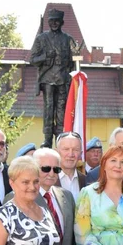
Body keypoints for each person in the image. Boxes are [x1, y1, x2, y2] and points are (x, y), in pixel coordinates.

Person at [29, 8, 82, 146]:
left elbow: (75, 60)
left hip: (63, 80)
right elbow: (33, 60)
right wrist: (46, 56)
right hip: (47, 80)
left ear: (61, 22)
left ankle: (59, 139)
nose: (54, 24)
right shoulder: (41, 39)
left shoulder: (68, 39)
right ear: (48, 22)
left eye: (57, 21)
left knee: (61, 111)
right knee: (48, 109)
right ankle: (47, 140)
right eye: (52, 21)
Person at [56, 131, 87, 204]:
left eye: (75, 150)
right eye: (66, 149)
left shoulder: (86, 181)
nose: (70, 154)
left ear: (81, 153)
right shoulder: (47, 180)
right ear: (57, 152)